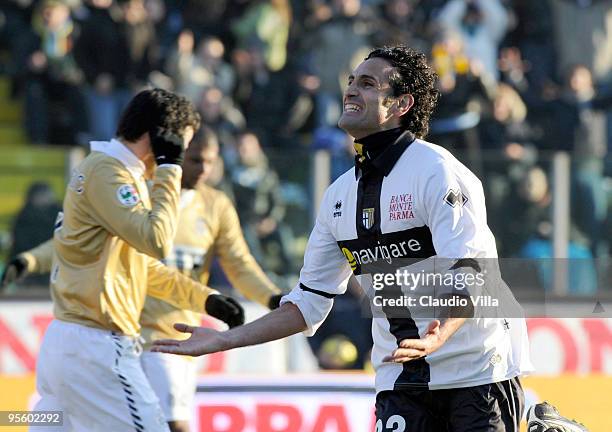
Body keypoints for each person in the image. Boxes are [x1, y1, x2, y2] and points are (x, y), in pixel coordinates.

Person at [152, 46, 534, 431]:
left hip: (477, 365)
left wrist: (442, 332)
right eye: (351, 81)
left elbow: (471, 273)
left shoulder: (438, 172)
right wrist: (224, 340)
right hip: (400, 376)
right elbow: (305, 304)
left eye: (367, 84)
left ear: (401, 103)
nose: (350, 90)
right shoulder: (338, 196)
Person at [2, 126, 282, 432]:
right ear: (177, 157)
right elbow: (75, 241)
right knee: (162, 424)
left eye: (211, 162)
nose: (204, 169)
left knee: (147, 421)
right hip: (129, 332)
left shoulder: (215, 207)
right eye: (196, 160)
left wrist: (272, 298)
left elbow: (239, 263)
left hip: (174, 334)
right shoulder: (138, 194)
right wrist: (31, 260)